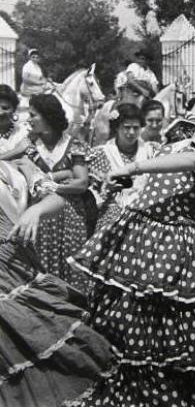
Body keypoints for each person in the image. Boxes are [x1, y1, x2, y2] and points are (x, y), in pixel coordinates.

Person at [66, 110, 195, 405]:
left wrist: (133, 168)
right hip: (138, 228)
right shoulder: (181, 134)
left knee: (160, 321)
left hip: (172, 238)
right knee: (121, 314)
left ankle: (157, 395)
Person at [0, 158, 115, 407]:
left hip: (20, 266)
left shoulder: (15, 166)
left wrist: (35, 210)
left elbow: (57, 199)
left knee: (41, 339)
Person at [23, 94, 90, 293]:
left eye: (33, 115)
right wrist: (64, 174)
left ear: (48, 117)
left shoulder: (73, 144)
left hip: (70, 218)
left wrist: (52, 185)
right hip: (40, 217)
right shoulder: (29, 145)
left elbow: (82, 183)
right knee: (41, 268)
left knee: (72, 268)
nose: (29, 119)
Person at [87, 103, 158, 230]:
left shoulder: (151, 151)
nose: (131, 132)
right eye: (126, 127)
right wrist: (107, 189)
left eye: (136, 128)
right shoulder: (100, 154)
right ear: (117, 128)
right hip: (112, 215)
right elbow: (92, 195)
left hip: (145, 213)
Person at [0, 85, 30, 159]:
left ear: (14, 110)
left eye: (5, 108)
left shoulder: (23, 133)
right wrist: (15, 151)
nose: (0, 113)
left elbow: (34, 159)